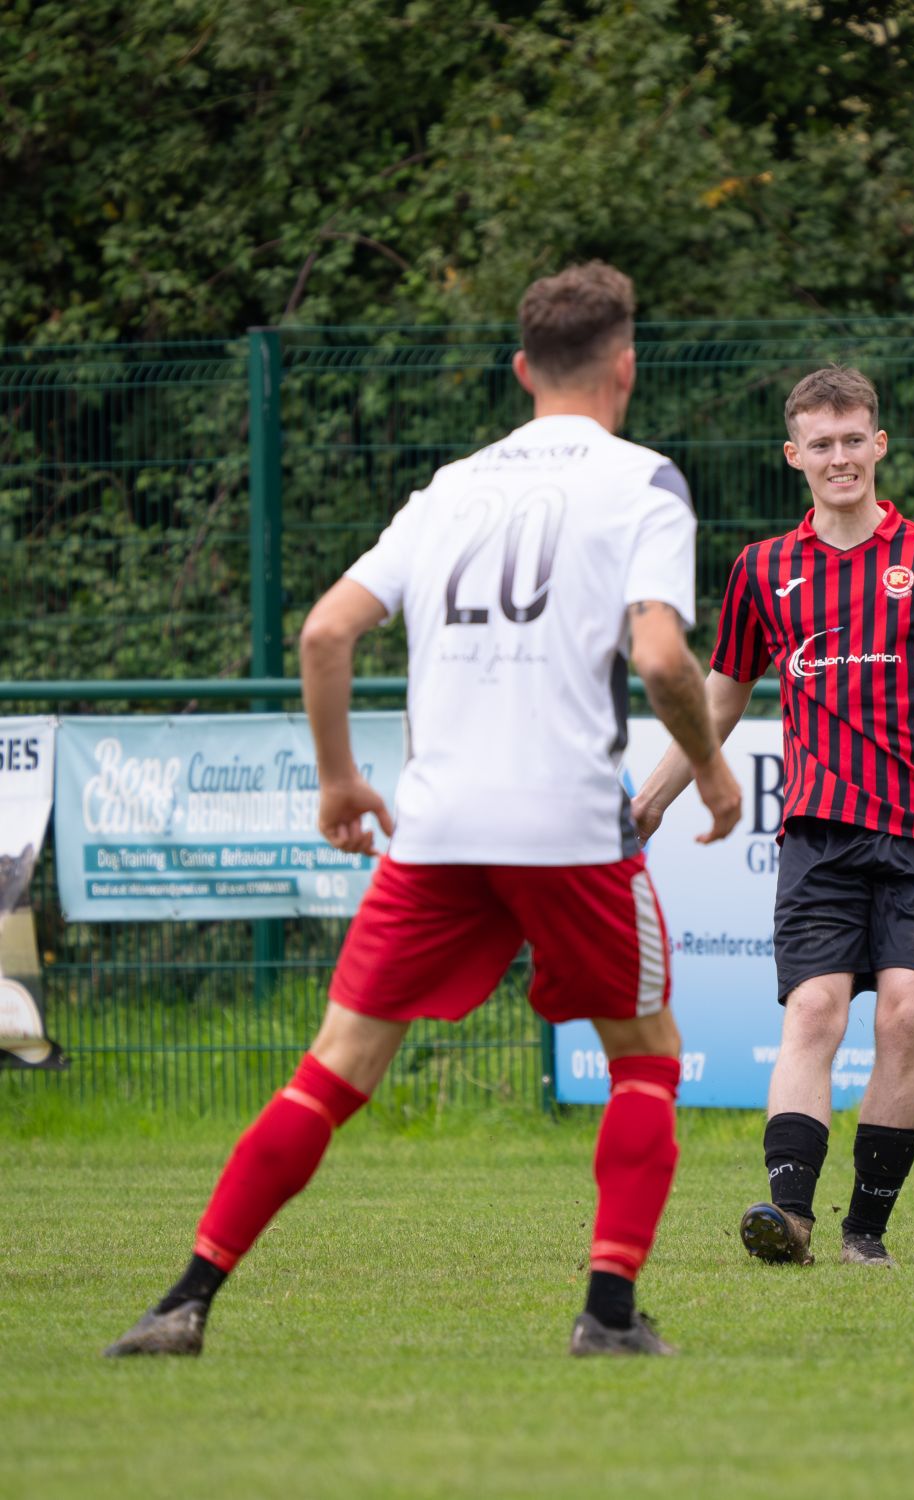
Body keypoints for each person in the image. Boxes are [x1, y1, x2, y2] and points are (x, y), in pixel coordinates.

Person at [105, 262, 742, 1359]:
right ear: (625, 367)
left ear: (518, 370)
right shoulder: (644, 483)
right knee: (644, 1056)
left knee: (334, 1067)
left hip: (436, 828)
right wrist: (712, 771)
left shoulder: (446, 489)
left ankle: (186, 1298)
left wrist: (341, 780)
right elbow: (659, 655)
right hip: (568, 827)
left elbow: (323, 633)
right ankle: (607, 1313)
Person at [632, 365, 914, 1269]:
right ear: (794, 455)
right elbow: (716, 700)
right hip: (818, 836)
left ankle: (866, 1228)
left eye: (853, 439)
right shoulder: (764, 569)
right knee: (815, 1012)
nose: (840, 458)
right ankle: (787, 1216)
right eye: (820, 444)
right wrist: (652, 801)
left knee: (905, 1016)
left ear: (880, 444)